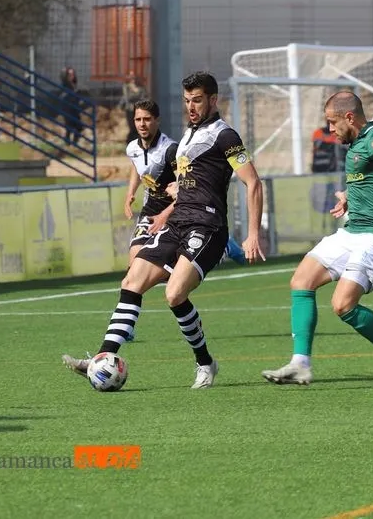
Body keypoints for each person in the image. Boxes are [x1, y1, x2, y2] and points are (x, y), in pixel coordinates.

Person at [62, 71, 266, 389]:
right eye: (187, 101)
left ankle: (205, 363)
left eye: (197, 100)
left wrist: (253, 233)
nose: (191, 107)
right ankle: (103, 356)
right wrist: (175, 192)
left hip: (208, 225)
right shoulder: (186, 136)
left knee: (174, 294)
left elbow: (252, 182)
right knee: (132, 281)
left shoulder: (227, 137)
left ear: (213, 100)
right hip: (177, 222)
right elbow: (190, 179)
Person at [262, 91, 373, 389]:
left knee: (343, 305)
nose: (330, 130)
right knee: (301, 281)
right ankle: (300, 364)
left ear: (349, 117)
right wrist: (349, 198)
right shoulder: (357, 144)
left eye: (332, 122)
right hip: (351, 232)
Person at [122, 99, 178, 268]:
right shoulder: (132, 148)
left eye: (147, 119)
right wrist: (130, 194)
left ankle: (225, 245)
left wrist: (165, 215)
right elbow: (137, 168)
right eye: (138, 120)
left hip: (176, 213)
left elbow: (187, 188)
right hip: (151, 211)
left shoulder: (170, 150)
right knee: (134, 261)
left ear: (157, 120)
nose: (142, 124)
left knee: (174, 273)